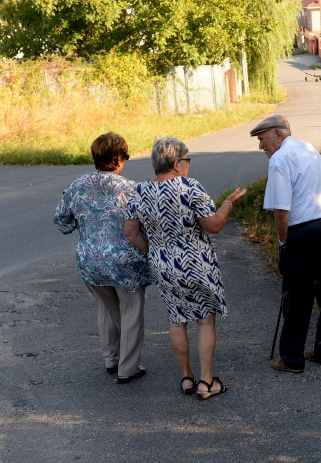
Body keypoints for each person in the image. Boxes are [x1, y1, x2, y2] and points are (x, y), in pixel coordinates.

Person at [123, 137, 246, 400]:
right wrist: (228, 204)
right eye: (187, 161)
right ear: (177, 164)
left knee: (177, 321)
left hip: (162, 265)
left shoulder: (140, 191)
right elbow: (213, 225)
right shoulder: (189, 187)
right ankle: (206, 381)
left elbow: (131, 233)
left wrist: (157, 250)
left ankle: (186, 377)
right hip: (196, 264)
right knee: (204, 319)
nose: (188, 166)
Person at [54, 132, 153, 384]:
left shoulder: (77, 186)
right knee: (131, 311)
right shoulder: (131, 188)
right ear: (119, 158)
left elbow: (62, 222)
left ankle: (111, 359)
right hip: (125, 262)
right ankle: (128, 369)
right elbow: (148, 225)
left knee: (107, 308)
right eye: (126, 156)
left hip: (90, 261)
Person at [250, 115, 321, 373]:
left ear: (279, 134)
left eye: (262, 139)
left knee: (297, 296)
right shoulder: (309, 148)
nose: (260, 146)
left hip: (303, 231)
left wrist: (283, 243)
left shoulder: (280, 159)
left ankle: (292, 359)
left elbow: (281, 210)